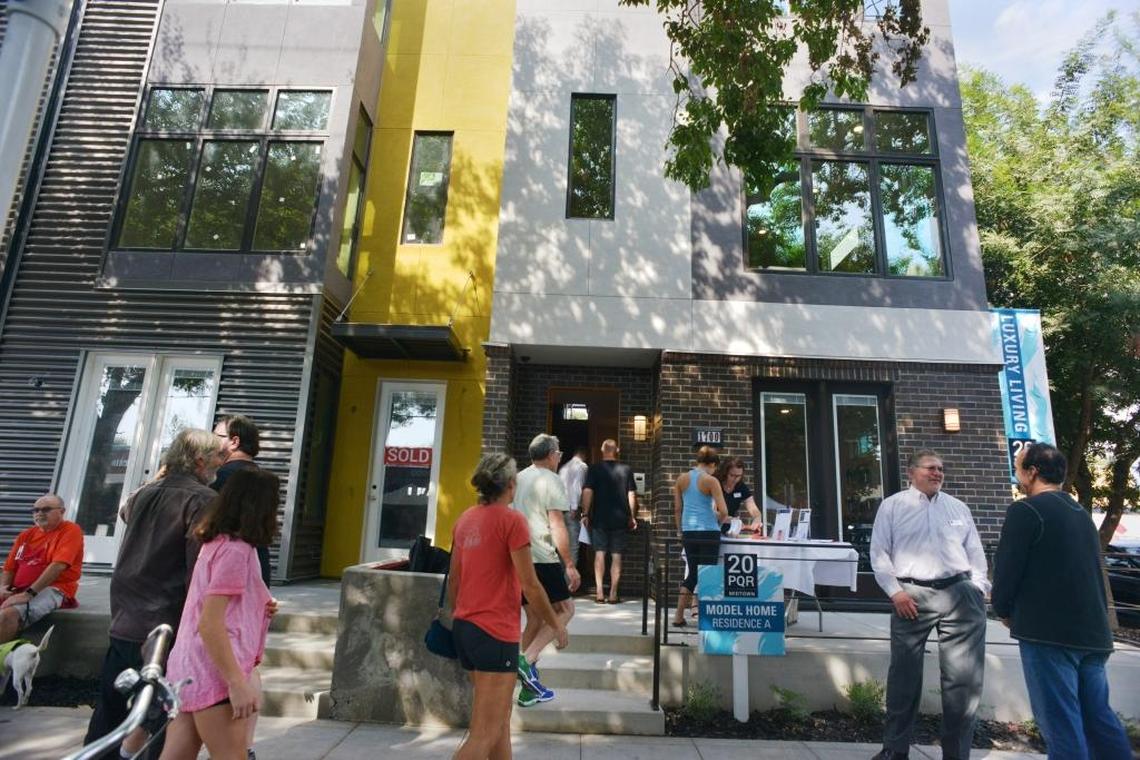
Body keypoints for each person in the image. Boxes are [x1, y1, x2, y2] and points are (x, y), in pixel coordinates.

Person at [84, 428, 224, 757]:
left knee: (111, 709)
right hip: (165, 621)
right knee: (156, 714)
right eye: (218, 456)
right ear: (201, 461)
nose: (223, 462)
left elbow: (125, 512)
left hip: (125, 613)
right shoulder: (203, 499)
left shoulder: (143, 493)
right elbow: (198, 569)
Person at [991, 443, 1132, 760]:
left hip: (1049, 635)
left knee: (1061, 724)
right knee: (1099, 720)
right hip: (1093, 635)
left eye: (1018, 467)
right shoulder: (1080, 513)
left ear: (1032, 472)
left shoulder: (1025, 511)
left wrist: (1003, 610)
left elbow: (1008, 569)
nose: (1016, 473)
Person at [869, 449, 990, 760]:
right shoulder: (892, 506)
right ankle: (895, 751)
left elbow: (975, 553)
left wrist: (978, 588)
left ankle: (956, 755)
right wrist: (895, 592)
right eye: (930, 468)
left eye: (941, 469)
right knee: (904, 678)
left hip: (960, 596)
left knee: (962, 680)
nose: (937, 473)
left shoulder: (958, 508)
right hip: (911, 597)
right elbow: (879, 553)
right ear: (911, 472)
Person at [449, 453, 568, 760]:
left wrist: (459, 618)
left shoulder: (465, 520)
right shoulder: (513, 521)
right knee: (484, 735)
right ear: (511, 485)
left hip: (466, 629)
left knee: (499, 724)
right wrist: (556, 625)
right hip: (495, 634)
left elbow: (454, 581)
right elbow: (531, 584)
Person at [160, 469, 279, 760]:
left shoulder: (217, 543)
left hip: (188, 666)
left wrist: (257, 603)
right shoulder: (237, 551)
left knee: (176, 754)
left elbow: (211, 603)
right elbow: (210, 623)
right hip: (215, 672)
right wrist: (237, 682)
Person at [512, 434, 580, 706]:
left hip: (518, 556)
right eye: (559, 453)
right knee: (566, 610)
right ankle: (525, 662)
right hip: (542, 555)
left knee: (536, 619)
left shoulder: (517, 478)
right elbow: (557, 524)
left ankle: (527, 688)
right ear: (551, 454)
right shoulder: (552, 480)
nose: (560, 457)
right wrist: (570, 564)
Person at [0, 494, 83, 644]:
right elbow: (10, 568)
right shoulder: (25, 535)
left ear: (62, 511)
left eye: (46, 509)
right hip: (18, 589)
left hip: (53, 588)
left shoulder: (71, 530)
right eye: (35, 510)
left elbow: (58, 565)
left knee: (9, 615)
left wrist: (29, 594)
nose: (39, 513)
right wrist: (3, 588)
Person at [671, 446, 728, 628]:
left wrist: (680, 530)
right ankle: (708, 618)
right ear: (712, 464)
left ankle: (678, 616)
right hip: (709, 532)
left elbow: (677, 509)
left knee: (693, 573)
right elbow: (724, 511)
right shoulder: (711, 481)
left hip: (688, 531)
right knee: (707, 574)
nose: (714, 470)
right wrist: (718, 518)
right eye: (715, 467)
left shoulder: (681, 479)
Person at [212, 414, 269, 587]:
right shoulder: (264, 477)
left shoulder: (219, 477)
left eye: (216, 437)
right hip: (258, 564)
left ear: (234, 442)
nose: (211, 442)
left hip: (226, 568)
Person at [580, 439, 638, 604]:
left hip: (599, 519)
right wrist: (632, 516)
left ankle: (599, 592)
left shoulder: (594, 469)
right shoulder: (626, 470)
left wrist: (585, 513)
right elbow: (632, 495)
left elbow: (587, 492)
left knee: (599, 553)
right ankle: (613, 593)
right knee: (617, 556)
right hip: (620, 520)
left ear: (601, 449)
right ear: (617, 450)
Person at [558, 446, 589, 566]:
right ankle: (570, 583)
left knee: (562, 547)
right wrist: (575, 507)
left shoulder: (563, 468)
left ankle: (561, 582)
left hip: (560, 510)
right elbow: (577, 487)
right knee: (573, 548)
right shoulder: (582, 466)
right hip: (572, 510)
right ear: (583, 455)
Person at [717, 457, 761, 532]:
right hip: (712, 527)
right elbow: (710, 511)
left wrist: (757, 518)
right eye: (732, 475)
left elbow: (752, 506)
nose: (735, 479)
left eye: (738, 476)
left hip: (729, 529)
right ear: (725, 473)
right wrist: (731, 519)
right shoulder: (716, 484)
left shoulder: (740, 486)